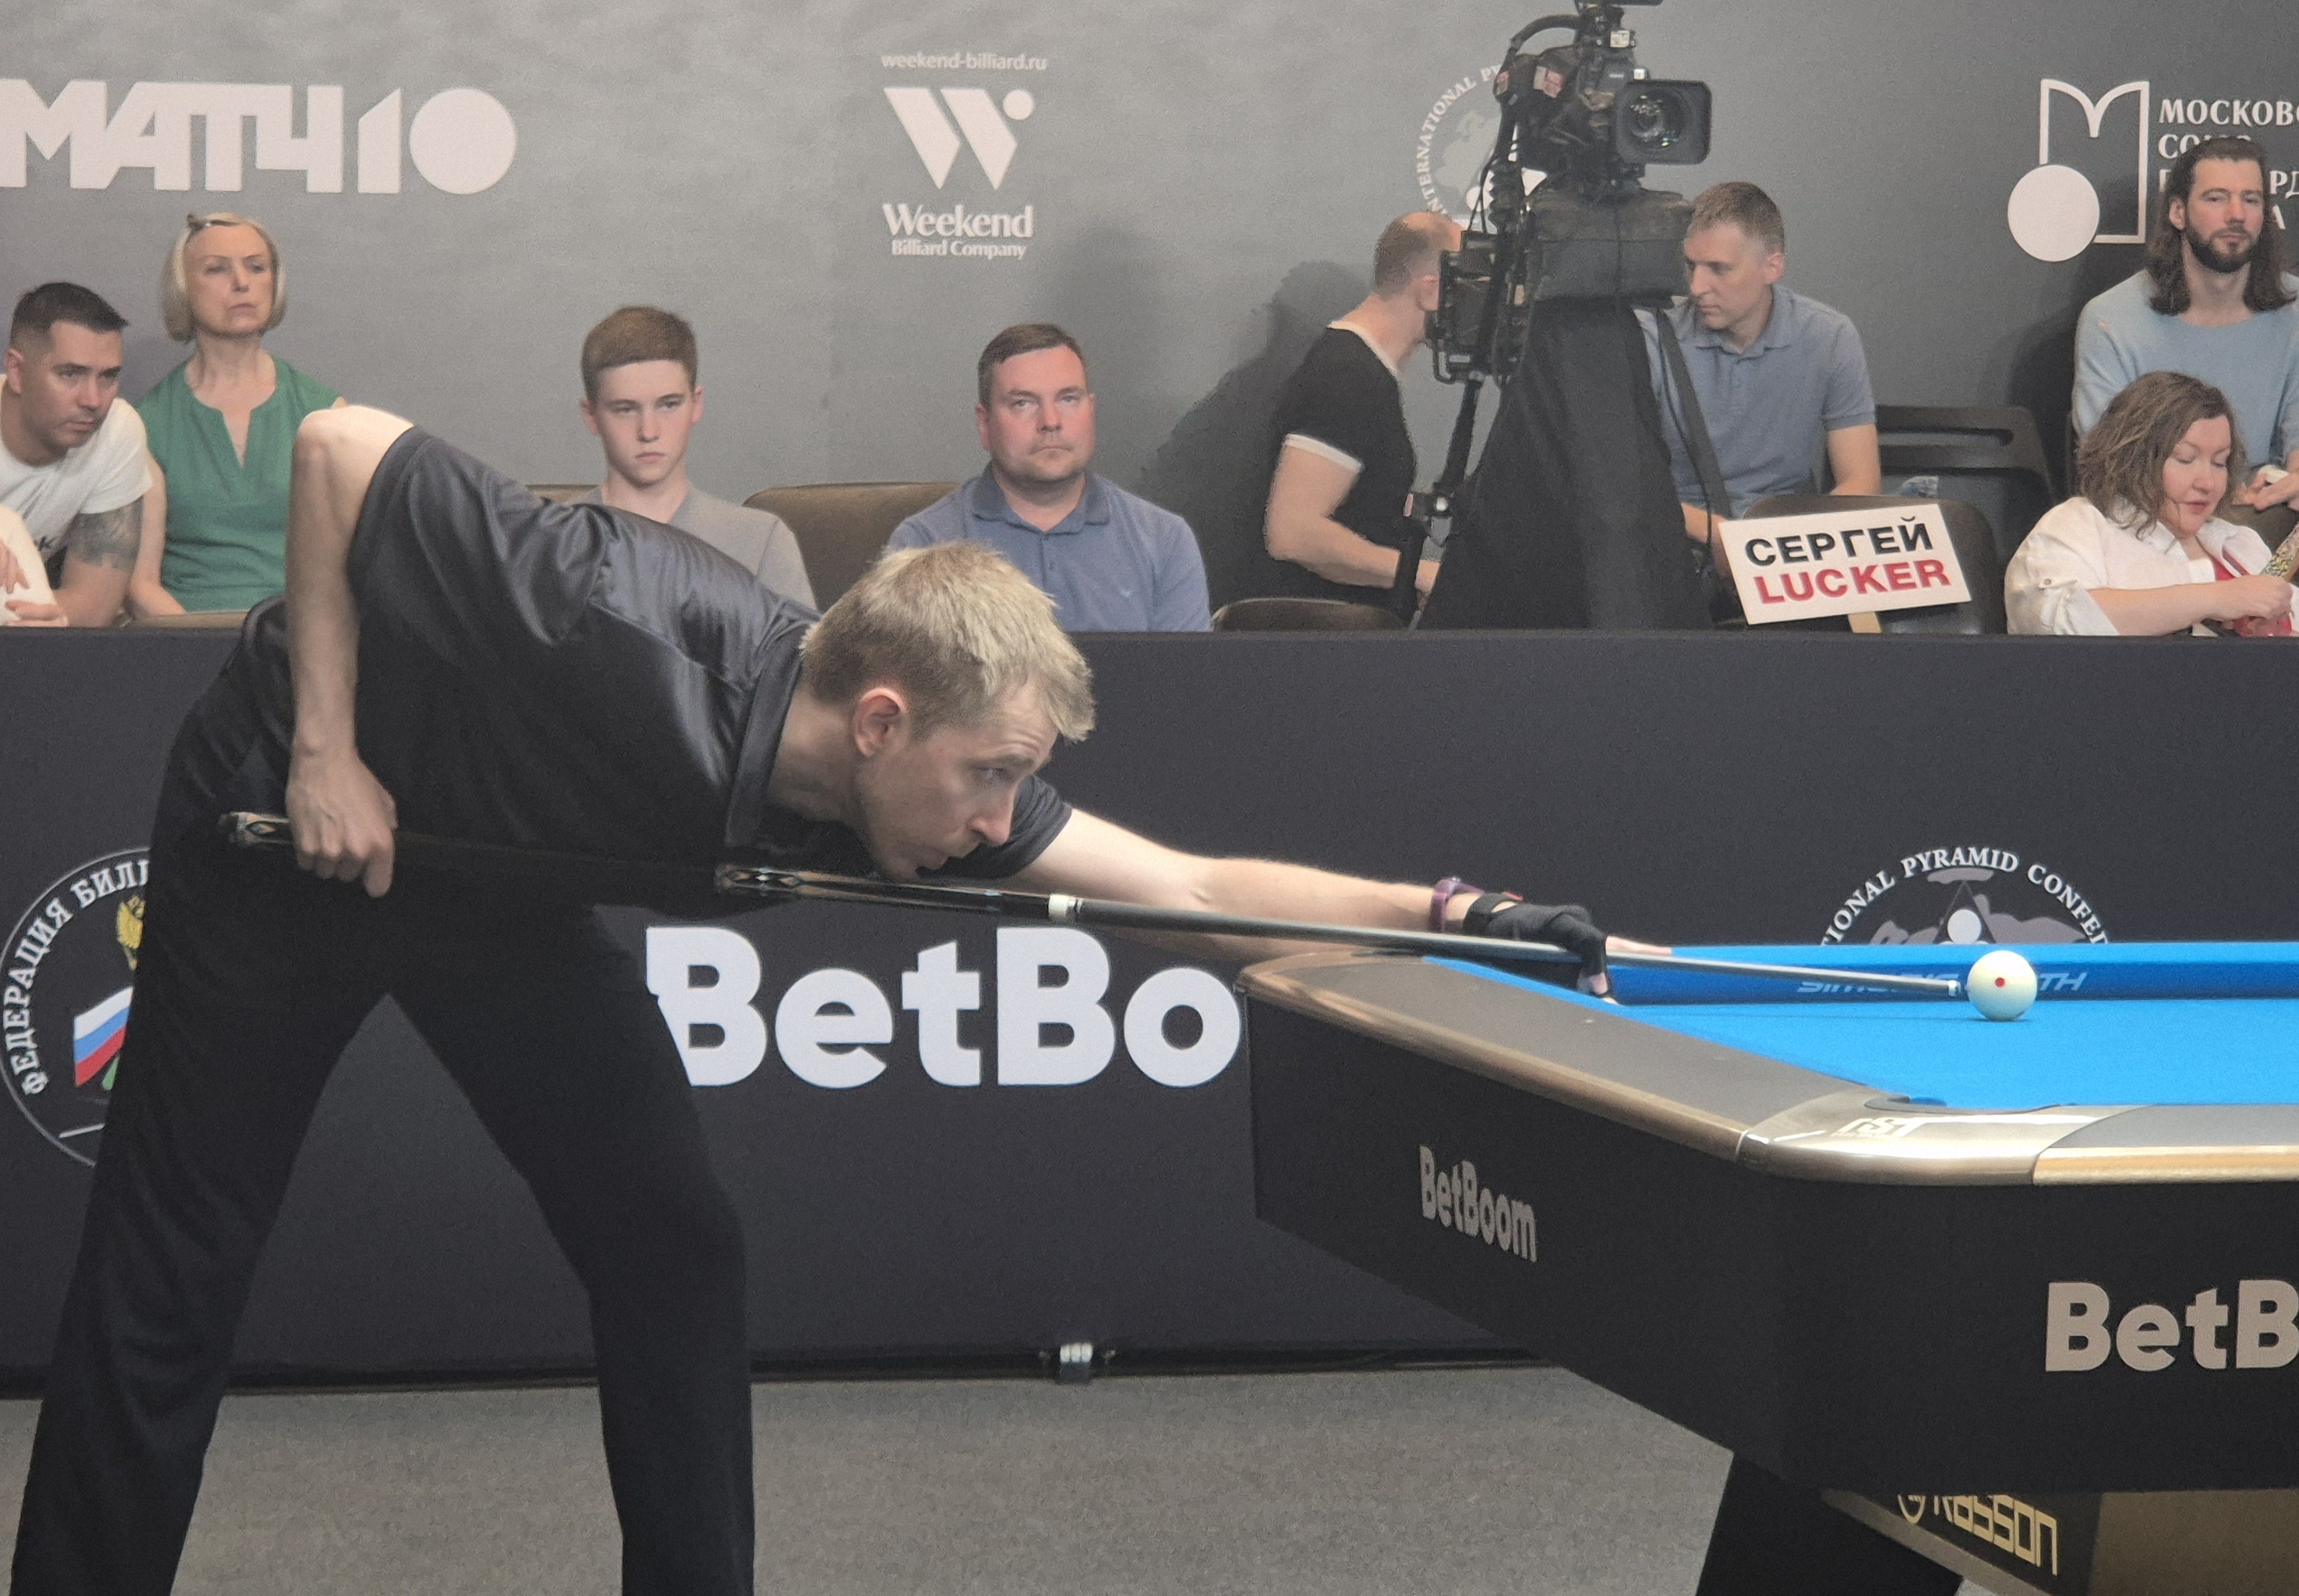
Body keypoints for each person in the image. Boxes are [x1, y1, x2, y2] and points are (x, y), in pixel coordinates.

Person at [9, 402, 1610, 1595]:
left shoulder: (920, 779)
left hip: (495, 879)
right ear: (885, 720)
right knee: (175, 1268)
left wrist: (1455, 919)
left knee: (673, 1241)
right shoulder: (609, 614)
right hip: (285, 835)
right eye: (989, 778)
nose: (1001, 821)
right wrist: (323, 749)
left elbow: (1190, 893)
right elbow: (339, 452)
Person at [888, 322, 1209, 631]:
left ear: (1091, 410)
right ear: (984, 424)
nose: (1051, 421)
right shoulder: (922, 545)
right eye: (1023, 403)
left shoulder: (1166, 542)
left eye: (1068, 399)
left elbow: (1185, 671)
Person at [1640, 182, 1880, 576]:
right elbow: (1625, 488)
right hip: (1680, 546)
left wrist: (1790, 547)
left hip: (1791, 546)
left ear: (1772, 267)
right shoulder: (1651, 340)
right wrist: (1721, 536)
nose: (1696, 287)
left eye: (1719, 269)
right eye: (1691, 266)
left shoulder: (1829, 336)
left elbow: (1862, 480)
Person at [2071, 137, 2299, 508]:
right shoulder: (2111, 320)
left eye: (2251, 200)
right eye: (2216, 198)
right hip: (2154, 519)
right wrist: (2212, 503)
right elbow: (2111, 465)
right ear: (2178, 212)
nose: (2237, 214)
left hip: (2272, 515)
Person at [133, 213, 343, 614]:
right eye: (217, 269)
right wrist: (198, 643)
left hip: (297, 636)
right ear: (183, 289)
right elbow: (141, 586)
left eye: (256, 267)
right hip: (185, 636)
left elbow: (343, 574)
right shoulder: (146, 424)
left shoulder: (325, 416)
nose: (242, 283)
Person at [2007, 370, 2299, 637]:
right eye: (2185, 459)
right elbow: (2053, 621)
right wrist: (2216, 598)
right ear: (2133, 458)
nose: (2208, 483)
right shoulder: (2079, 525)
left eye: (2219, 463)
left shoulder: (2242, 544)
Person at [1262, 212, 1460, 607]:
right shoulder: (1348, 376)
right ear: (1430, 291)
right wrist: (1421, 574)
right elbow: (1293, 533)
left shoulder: (1358, 370)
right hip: (1319, 639)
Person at [571, 305, 815, 607]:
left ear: (696, 404)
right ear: (591, 415)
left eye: (669, 405)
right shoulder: (550, 545)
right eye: (625, 410)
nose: (649, 432)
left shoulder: (762, 543)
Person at [0, 283, 154, 629]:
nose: (93, 401)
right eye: (70, 374)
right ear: (17, 372)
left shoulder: (117, 431)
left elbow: (95, 604)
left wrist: (38, 616)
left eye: (108, 377)